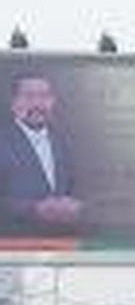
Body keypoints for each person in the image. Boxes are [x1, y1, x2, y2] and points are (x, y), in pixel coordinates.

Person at [0, 73, 80, 234]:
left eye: (44, 96)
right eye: (29, 96)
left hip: (64, 249)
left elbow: (71, 190)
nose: (37, 104)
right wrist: (33, 209)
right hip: (12, 250)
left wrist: (75, 206)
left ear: (53, 101)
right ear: (13, 103)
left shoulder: (63, 142)